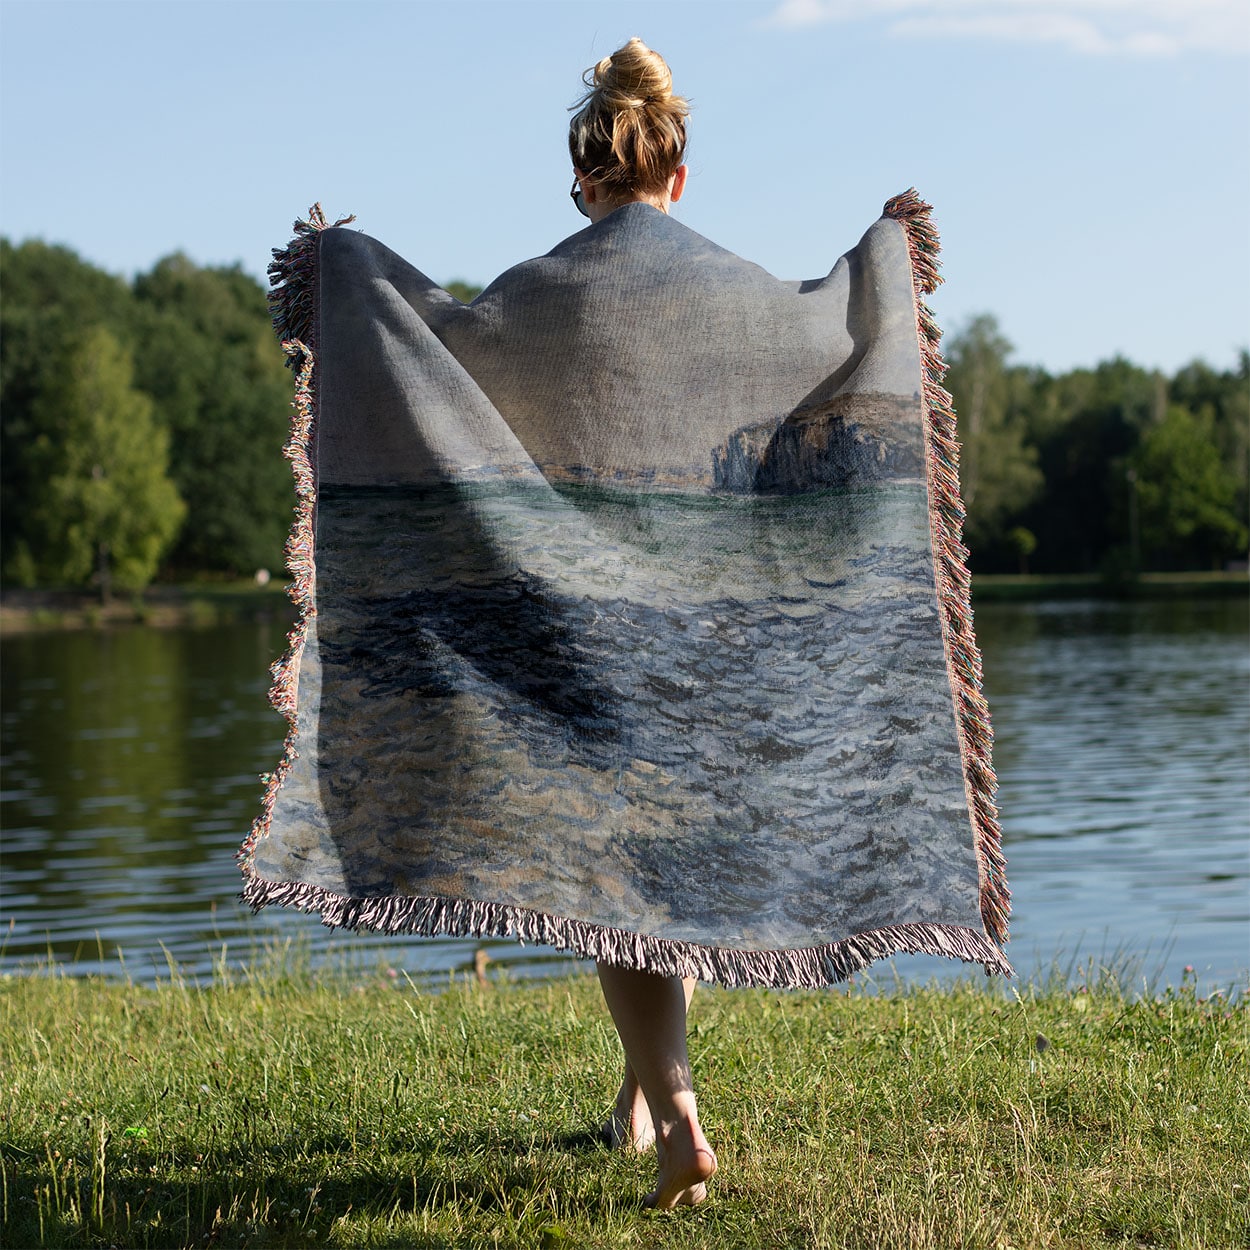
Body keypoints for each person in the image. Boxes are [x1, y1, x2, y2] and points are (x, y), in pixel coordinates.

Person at [565, 37, 717, 1212]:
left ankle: (677, 1118)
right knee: (655, 871)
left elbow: (442, 376)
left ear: (585, 181)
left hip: (588, 619)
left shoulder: (543, 289)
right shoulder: (727, 290)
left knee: (610, 882)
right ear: (675, 175)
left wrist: (346, 279)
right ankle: (632, 1099)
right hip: (707, 625)